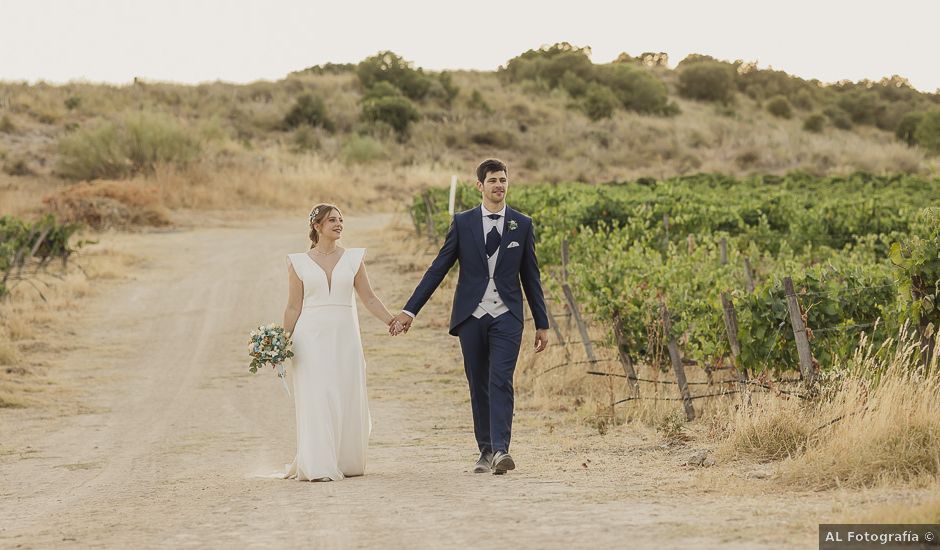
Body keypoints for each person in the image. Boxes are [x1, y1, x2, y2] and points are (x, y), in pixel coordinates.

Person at [392, 159, 550, 475]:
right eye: (492, 180)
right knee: (478, 383)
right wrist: (410, 310)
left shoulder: (522, 223)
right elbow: (439, 268)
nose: (499, 186)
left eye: (503, 180)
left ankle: (502, 450)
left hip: (507, 315)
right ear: (479, 185)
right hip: (471, 316)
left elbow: (531, 277)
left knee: (500, 379)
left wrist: (542, 323)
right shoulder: (463, 223)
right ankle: (485, 450)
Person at [281, 203, 403, 481]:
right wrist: (279, 341)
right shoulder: (298, 262)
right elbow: (292, 307)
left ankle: (345, 460)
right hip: (309, 337)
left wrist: (391, 320)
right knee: (316, 395)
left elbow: (369, 298)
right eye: (332, 220)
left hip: (345, 337)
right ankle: (318, 465)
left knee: (344, 393)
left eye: (341, 220)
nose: (338, 224)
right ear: (317, 226)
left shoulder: (353, 259)